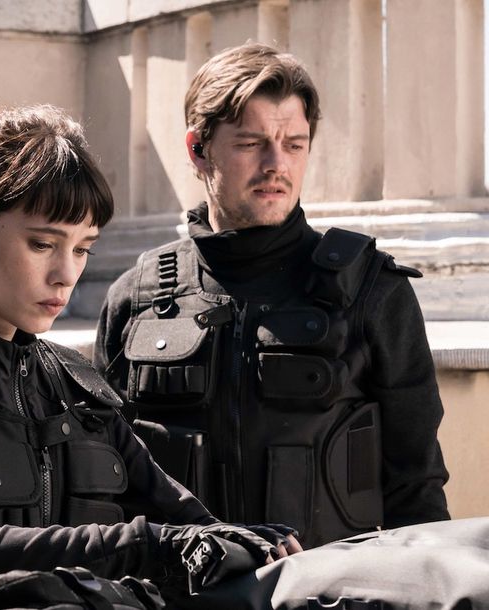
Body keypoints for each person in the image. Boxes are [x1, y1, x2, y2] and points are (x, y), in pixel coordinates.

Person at [0, 104, 300, 603]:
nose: (66, 273)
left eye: (83, 248)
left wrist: (262, 546)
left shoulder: (76, 388)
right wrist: (145, 545)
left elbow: (192, 528)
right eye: (43, 243)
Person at [93, 42, 449, 549]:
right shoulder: (137, 296)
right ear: (198, 150)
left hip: (329, 593)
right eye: (251, 143)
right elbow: (104, 482)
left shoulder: (372, 288)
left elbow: (417, 485)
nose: (275, 164)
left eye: (294, 143)